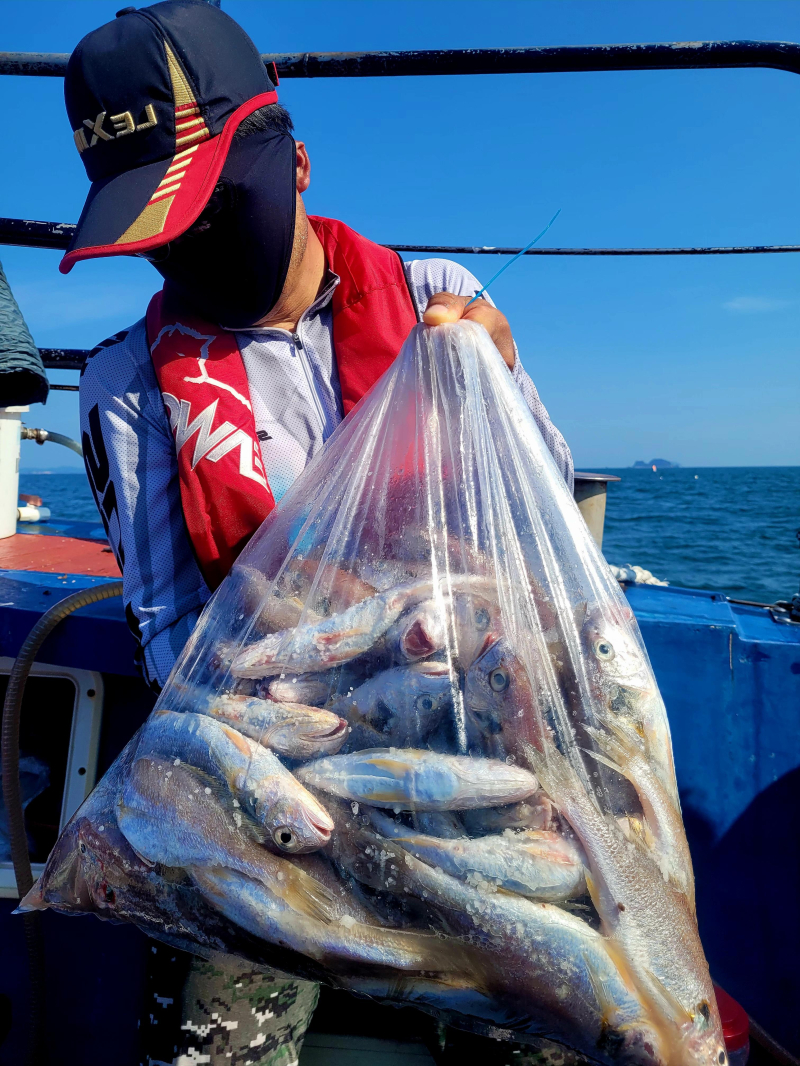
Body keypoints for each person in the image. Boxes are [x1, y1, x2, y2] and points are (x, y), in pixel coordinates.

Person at [63, 2, 574, 1063]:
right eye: (155, 230)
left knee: (567, 1013)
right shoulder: (125, 381)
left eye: (208, 206)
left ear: (292, 159)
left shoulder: (436, 301)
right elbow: (170, 633)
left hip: (469, 740)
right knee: (207, 1040)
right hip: (270, 765)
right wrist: (307, 724)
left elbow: (538, 536)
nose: (190, 245)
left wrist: (499, 381)